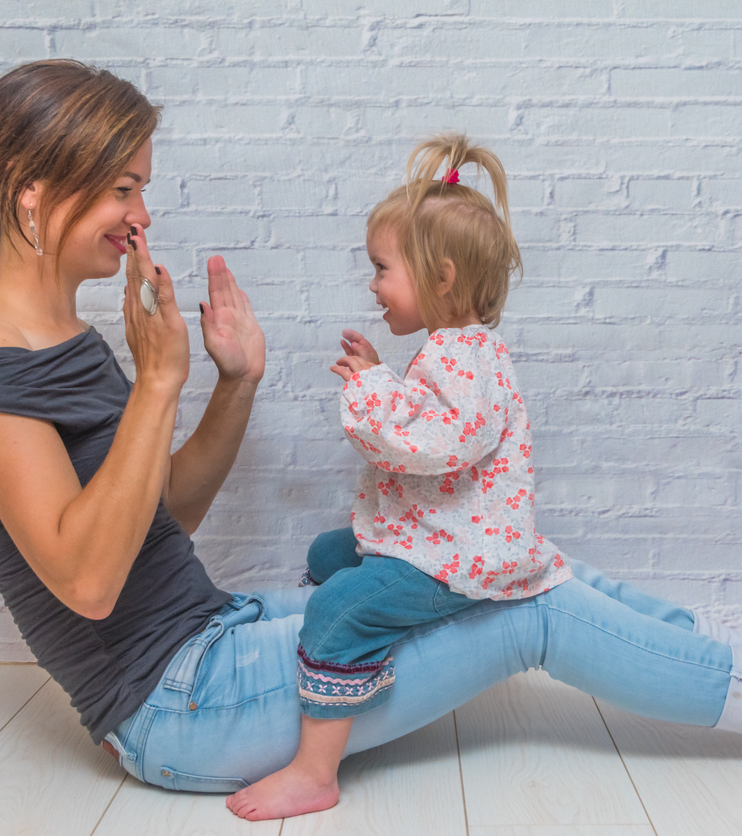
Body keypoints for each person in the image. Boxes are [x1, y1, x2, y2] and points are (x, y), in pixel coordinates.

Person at [0, 59, 742, 821]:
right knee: (530, 610)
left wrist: (234, 385)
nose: (141, 215)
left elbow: (162, 521)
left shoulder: (60, 339)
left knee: (514, 561)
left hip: (213, 639)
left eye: (141, 189)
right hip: (179, 709)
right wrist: (157, 381)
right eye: (123, 188)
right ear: (35, 196)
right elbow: (91, 583)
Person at [227, 135, 575, 820]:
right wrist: (383, 373)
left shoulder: (462, 358)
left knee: (338, 605)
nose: (373, 284)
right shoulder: (455, 350)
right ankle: (339, 668)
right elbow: (432, 421)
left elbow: (429, 446)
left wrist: (370, 389)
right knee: (330, 555)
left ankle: (315, 768)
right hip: (437, 535)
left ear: (439, 278)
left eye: (382, 268)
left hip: (457, 556)